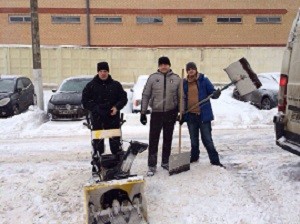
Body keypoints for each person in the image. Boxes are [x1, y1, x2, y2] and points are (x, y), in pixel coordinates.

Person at [82, 61, 128, 175]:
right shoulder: (90, 86)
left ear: (108, 72)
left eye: (105, 71)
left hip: (113, 119)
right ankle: (97, 166)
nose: (103, 73)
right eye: (101, 71)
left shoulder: (116, 85)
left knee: (115, 144)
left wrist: (116, 107)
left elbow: (123, 99)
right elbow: (85, 101)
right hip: (97, 120)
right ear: (98, 72)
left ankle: (118, 165)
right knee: (98, 145)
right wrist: (95, 109)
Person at [140, 56, 181, 176]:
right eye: (161, 64)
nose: (164, 66)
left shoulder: (176, 78)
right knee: (154, 139)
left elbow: (180, 97)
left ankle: (165, 162)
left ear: (169, 65)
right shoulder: (153, 78)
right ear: (158, 66)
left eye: (166, 64)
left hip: (171, 112)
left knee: (168, 138)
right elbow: (146, 95)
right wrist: (143, 112)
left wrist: (180, 112)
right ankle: (152, 165)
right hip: (156, 113)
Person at [181, 62, 224, 168]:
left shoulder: (203, 80)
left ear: (196, 70)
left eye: (192, 68)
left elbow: (212, 93)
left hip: (203, 115)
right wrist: (182, 115)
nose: (191, 70)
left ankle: (215, 161)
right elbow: (182, 99)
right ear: (187, 71)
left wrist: (216, 94)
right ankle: (194, 157)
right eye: (189, 69)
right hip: (191, 115)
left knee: (207, 139)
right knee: (193, 140)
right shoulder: (184, 83)